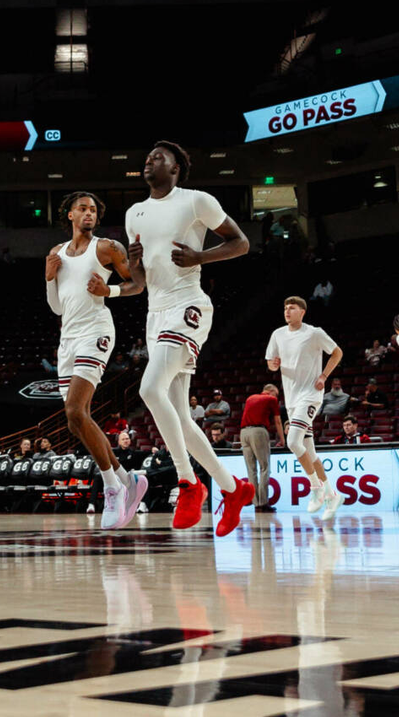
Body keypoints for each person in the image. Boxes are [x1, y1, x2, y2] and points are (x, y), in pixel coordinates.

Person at [125, 139, 254, 538]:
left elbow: (241, 243)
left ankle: (189, 482)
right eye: (147, 156)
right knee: (179, 415)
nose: (149, 160)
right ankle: (233, 489)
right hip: (155, 310)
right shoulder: (134, 213)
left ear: (176, 167)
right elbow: (141, 280)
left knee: (149, 389)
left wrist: (201, 257)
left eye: (158, 157)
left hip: (188, 303)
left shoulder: (197, 200)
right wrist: (132, 269)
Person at [45, 190, 146, 530]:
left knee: (75, 410)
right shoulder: (56, 253)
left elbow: (138, 283)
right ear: (69, 215)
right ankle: (125, 478)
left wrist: (111, 291)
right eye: (82, 209)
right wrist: (48, 279)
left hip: (96, 330)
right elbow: (57, 307)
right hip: (68, 338)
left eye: (93, 210)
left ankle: (112, 487)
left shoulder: (107, 248)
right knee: (75, 422)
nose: (88, 214)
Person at [265, 294, 344, 521]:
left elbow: (337, 352)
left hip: (310, 395)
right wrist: (274, 364)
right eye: (285, 308)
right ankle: (332, 494)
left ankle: (316, 488)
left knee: (292, 442)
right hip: (291, 398)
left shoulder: (314, 333)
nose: (287, 311)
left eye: (291, 308)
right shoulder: (277, 334)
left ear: (302, 312)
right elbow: (271, 363)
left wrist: (324, 376)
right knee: (310, 453)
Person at [239, 382, 284, 511]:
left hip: (243, 433)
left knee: (251, 470)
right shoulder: (271, 399)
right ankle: (263, 502)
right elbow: (277, 421)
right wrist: (282, 440)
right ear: (271, 391)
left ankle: (256, 503)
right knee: (264, 467)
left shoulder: (250, 398)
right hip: (258, 431)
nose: (277, 397)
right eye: (276, 394)